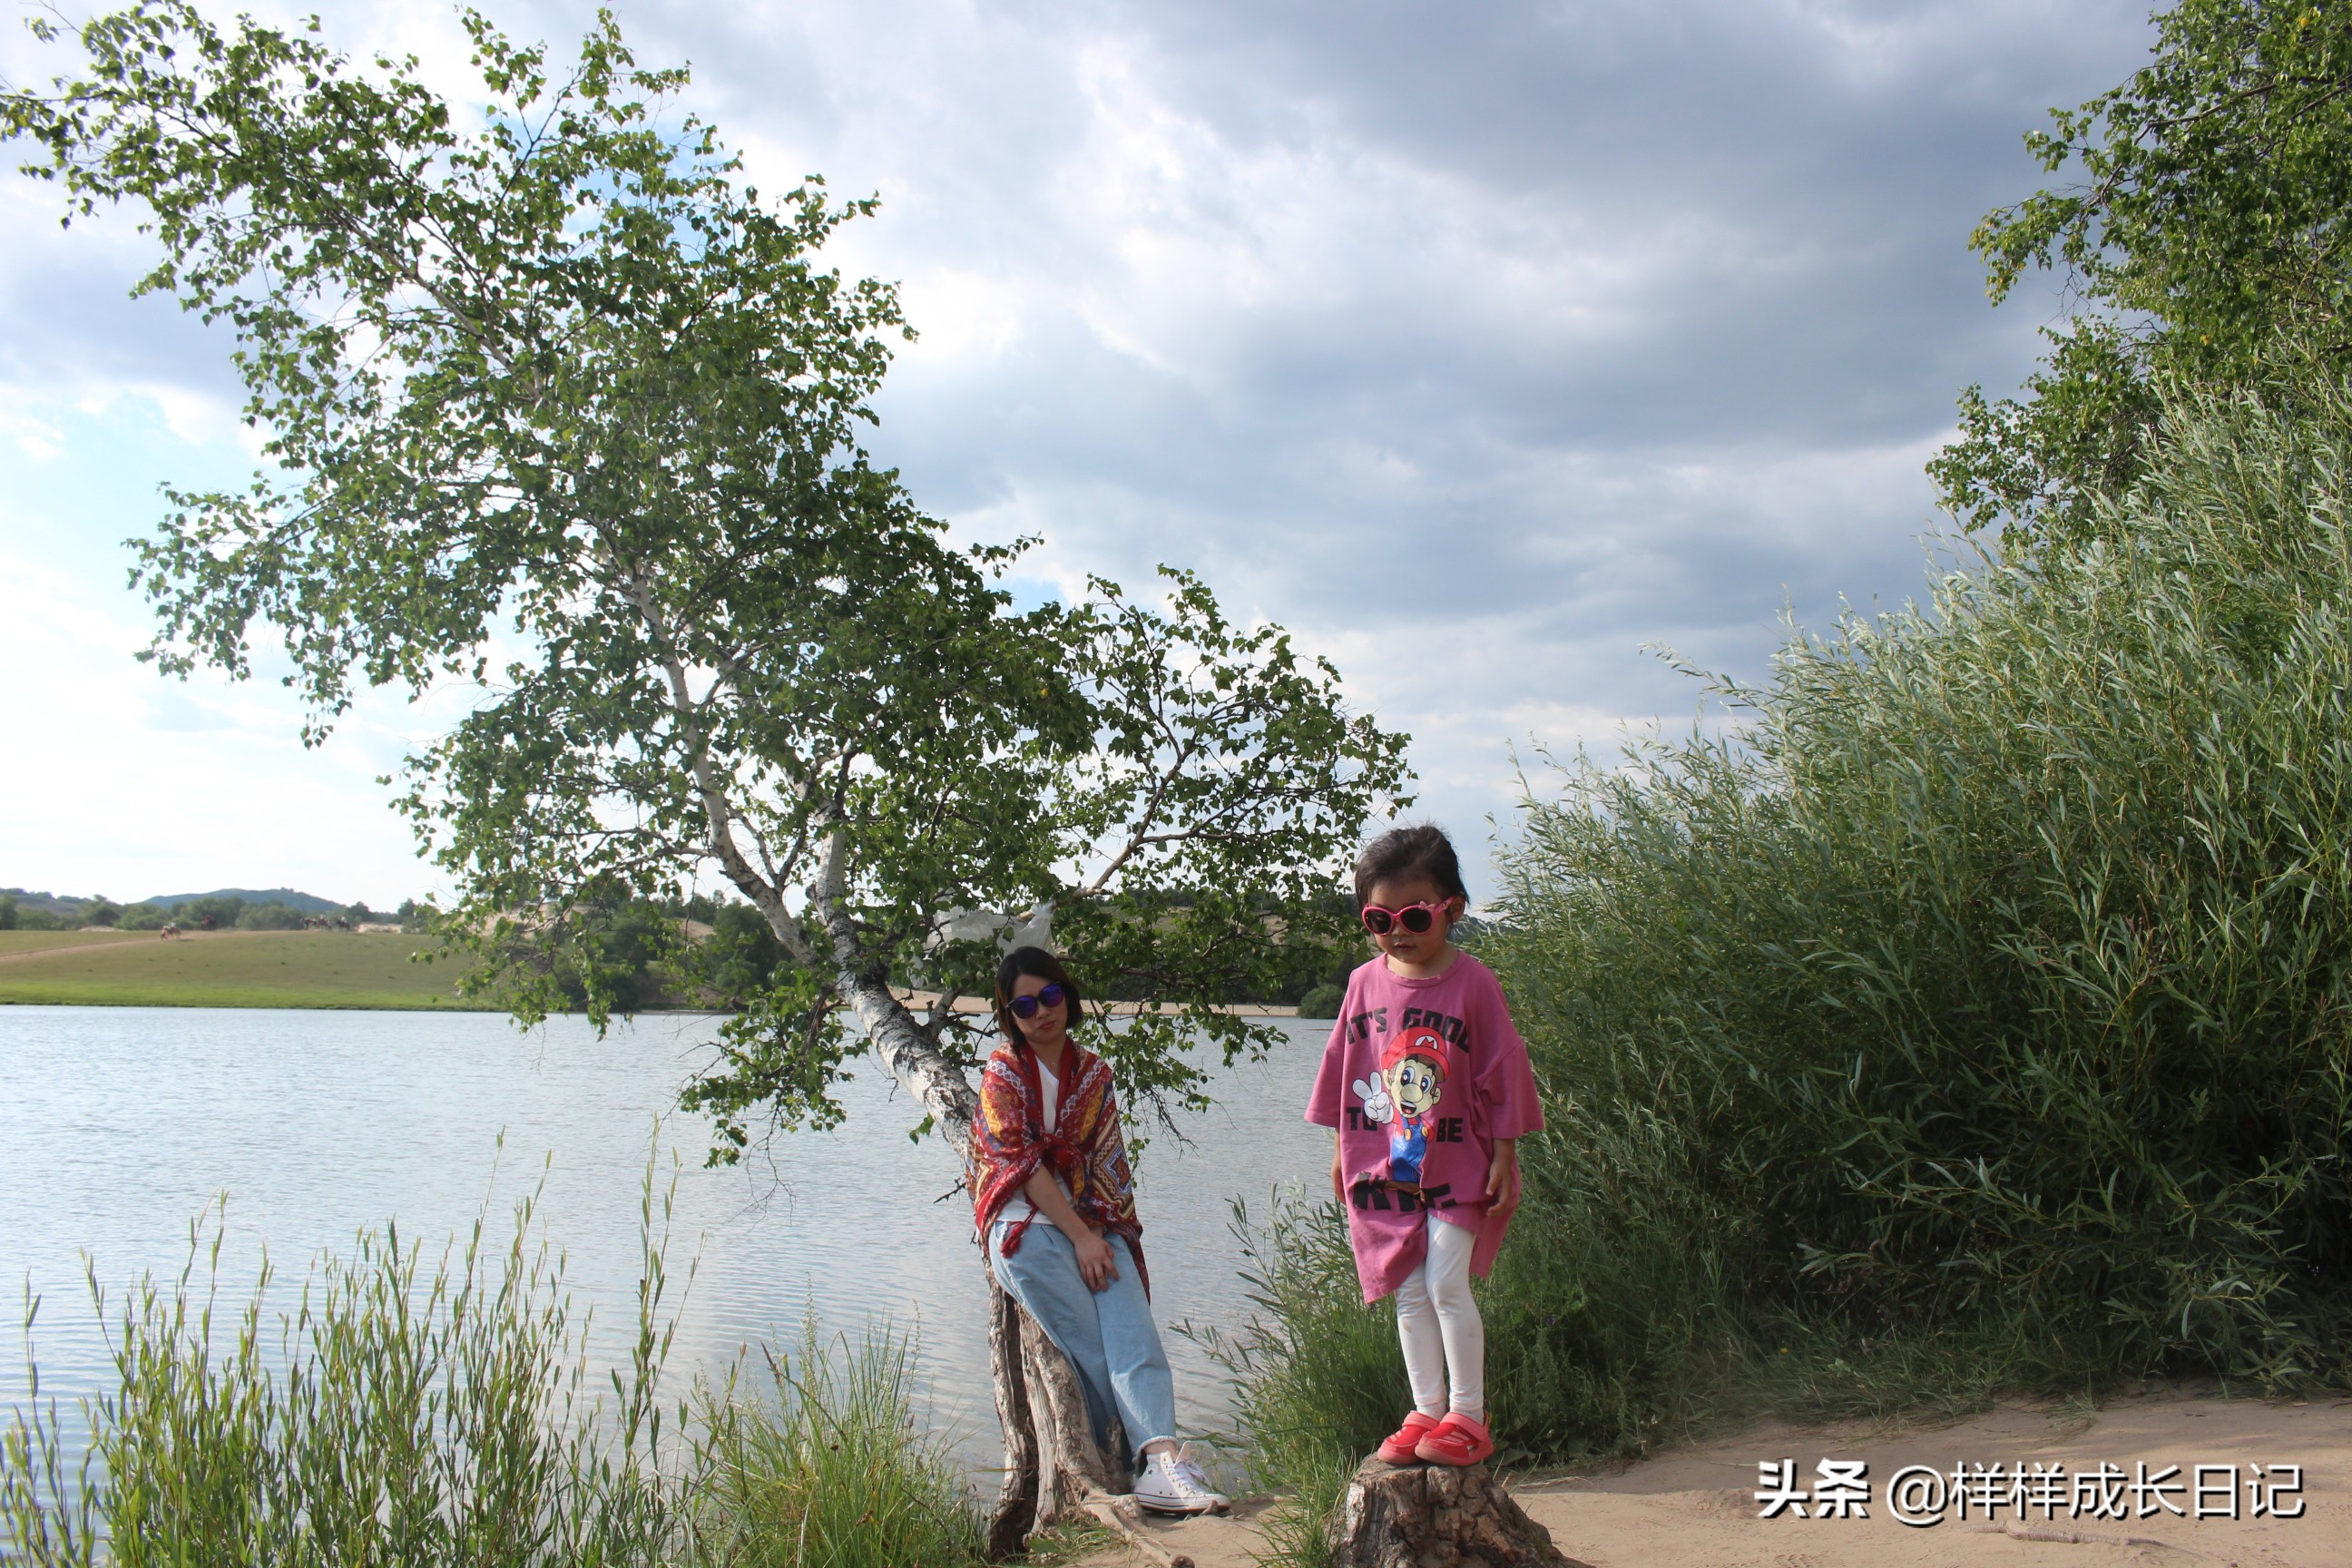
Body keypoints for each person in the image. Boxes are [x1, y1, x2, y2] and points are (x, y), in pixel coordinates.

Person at [1306, 824, 1544, 1467]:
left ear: (1452, 910)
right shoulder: (1362, 983)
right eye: (1378, 919)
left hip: (1460, 1163)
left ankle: (1468, 1413)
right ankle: (1427, 1410)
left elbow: (1504, 1072)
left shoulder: (1474, 984)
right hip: (1384, 1164)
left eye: (1413, 915)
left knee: (1444, 1282)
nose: (1397, 932)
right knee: (1406, 1289)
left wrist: (1505, 1154)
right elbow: (1344, 1064)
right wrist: (1339, 1150)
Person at [967, 946, 1229, 1514]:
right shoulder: (1002, 1072)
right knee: (1088, 1342)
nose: (1042, 1012)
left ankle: (1160, 1460)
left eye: (1051, 996)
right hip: (1023, 1228)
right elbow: (1022, 1166)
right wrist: (1081, 1238)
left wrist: (1098, 1234)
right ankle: (1129, 1459)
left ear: (1068, 995)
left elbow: (1104, 1162)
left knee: (1131, 1327)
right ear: (1010, 1016)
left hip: (1089, 1217)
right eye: (1025, 1005)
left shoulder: (1093, 1074)